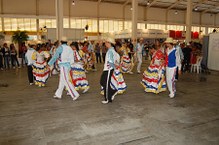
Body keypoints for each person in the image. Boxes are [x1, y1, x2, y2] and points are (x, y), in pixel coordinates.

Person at [100, 37, 118, 104]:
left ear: (110, 43)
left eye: (106, 42)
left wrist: (114, 68)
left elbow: (111, 62)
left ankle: (107, 98)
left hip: (108, 69)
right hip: (107, 69)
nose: (105, 43)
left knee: (106, 83)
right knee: (102, 82)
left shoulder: (110, 51)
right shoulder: (110, 50)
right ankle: (112, 92)